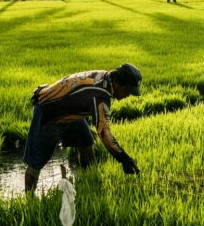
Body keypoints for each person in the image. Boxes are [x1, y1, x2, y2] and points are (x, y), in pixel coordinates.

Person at [24, 64, 143, 192]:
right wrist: (124, 159)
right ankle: (30, 201)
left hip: (71, 111)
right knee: (36, 162)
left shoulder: (106, 77)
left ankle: (89, 184)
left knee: (86, 142)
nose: (128, 95)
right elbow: (104, 132)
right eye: (127, 91)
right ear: (117, 83)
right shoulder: (99, 97)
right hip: (49, 112)